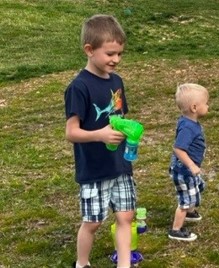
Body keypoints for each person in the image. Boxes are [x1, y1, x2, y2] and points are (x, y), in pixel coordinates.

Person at [64, 14, 136, 268]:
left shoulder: (117, 82)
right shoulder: (79, 87)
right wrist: (100, 134)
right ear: (89, 50)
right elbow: (71, 132)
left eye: (120, 54)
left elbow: (120, 116)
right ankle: (82, 263)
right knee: (93, 222)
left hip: (120, 165)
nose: (116, 60)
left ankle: (124, 264)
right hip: (94, 170)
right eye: (110, 54)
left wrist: (129, 131)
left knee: (126, 216)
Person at [168, 83, 209, 241]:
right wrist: (191, 165)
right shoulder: (188, 128)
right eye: (205, 103)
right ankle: (176, 230)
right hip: (184, 170)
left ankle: (190, 212)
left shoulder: (188, 122)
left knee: (197, 187)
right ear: (194, 107)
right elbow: (178, 149)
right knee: (185, 199)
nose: (207, 106)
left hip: (187, 169)